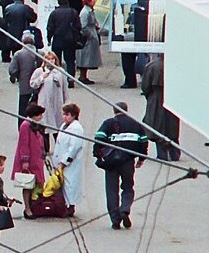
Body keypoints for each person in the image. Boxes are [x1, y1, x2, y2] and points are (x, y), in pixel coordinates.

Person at [93, 101, 148, 229]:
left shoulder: (108, 123)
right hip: (128, 161)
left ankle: (115, 220)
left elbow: (99, 138)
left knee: (111, 190)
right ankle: (125, 209)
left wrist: (97, 154)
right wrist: (141, 158)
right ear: (126, 110)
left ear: (114, 111)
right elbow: (143, 141)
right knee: (128, 187)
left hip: (111, 162)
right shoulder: (136, 124)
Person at [140, 53, 181, 162]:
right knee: (172, 126)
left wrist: (150, 96)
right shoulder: (175, 65)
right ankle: (174, 153)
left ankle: (162, 154)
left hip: (156, 97)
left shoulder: (151, 66)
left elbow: (145, 86)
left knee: (157, 124)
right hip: (171, 96)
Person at [13, 103, 48, 218]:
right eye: (39, 115)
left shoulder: (35, 125)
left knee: (36, 184)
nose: (41, 117)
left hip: (36, 160)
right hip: (29, 160)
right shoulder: (25, 126)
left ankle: (33, 206)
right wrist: (25, 162)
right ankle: (27, 208)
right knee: (27, 184)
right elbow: (24, 144)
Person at [52, 102, 86, 215]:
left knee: (70, 185)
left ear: (74, 115)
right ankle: (64, 205)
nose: (64, 117)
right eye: (64, 114)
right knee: (63, 184)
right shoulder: (64, 126)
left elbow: (73, 148)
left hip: (70, 164)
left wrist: (64, 162)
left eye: (67, 115)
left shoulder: (76, 128)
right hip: (61, 160)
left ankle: (70, 206)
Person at [29, 50, 67, 144]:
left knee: (57, 127)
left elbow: (65, 88)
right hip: (44, 102)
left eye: (52, 59)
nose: (50, 61)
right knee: (45, 127)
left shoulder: (60, 71)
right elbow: (32, 84)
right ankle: (45, 149)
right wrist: (42, 78)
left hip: (57, 103)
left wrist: (66, 102)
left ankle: (59, 146)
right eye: (48, 59)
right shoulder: (39, 71)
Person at [46, 0, 81, 87]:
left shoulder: (54, 13)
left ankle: (57, 77)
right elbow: (78, 26)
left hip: (58, 38)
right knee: (70, 60)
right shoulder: (73, 12)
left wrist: (49, 38)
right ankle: (70, 78)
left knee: (56, 59)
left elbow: (50, 27)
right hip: (70, 39)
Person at [120, 0, 150, 88]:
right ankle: (145, 82)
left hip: (133, 35)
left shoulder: (134, 7)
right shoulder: (152, 5)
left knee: (128, 58)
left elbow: (129, 21)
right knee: (146, 59)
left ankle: (130, 81)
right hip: (146, 36)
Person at [9, 32, 41, 125]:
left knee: (23, 109)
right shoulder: (40, 54)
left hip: (24, 86)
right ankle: (36, 126)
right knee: (36, 108)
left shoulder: (19, 54)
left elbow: (12, 70)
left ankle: (22, 127)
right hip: (38, 86)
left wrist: (18, 76)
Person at [75, 0, 102, 83]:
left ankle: (84, 76)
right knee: (85, 57)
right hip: (87, 39)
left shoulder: (89, 10)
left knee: (87, 57)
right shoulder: (85, 12)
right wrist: (91, 35)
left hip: (91, 36)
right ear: (89, 1)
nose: (95, 1)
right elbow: (83, 26)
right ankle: (82, 76)